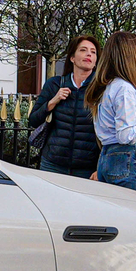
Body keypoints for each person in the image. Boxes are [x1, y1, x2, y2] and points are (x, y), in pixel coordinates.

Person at [86, 30, 136, 192]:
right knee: (133, 210)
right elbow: (125, 135)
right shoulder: (124, 89)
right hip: (125, 156)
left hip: (107, 155)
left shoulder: (107, 87)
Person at [27, 35, 102, 177]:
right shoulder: (55, 84)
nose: (88, 54)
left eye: (93, 52)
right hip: (53, 164)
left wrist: (100, 168)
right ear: (72, 57)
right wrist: (52, 102)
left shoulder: (101, 89)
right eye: (83, 50)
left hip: (87, 168)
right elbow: (33, 121)